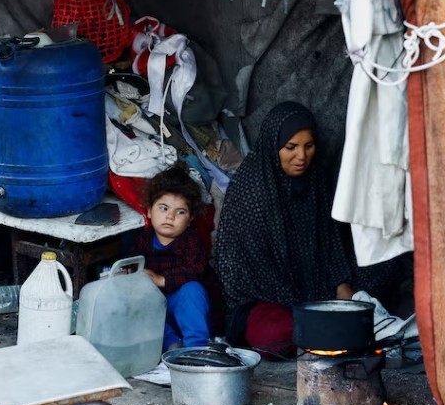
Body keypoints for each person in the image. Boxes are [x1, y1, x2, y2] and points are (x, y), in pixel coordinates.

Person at [213, 101, 356, 357]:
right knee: (278, 334)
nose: (301, 156)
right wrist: (303, 308)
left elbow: (331, 241)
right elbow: (247, 270)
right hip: (264, 298)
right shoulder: (251, 190)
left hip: (313, 289)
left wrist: (340, 285)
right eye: (291, 147)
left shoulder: (315, 180)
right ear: (273, 145)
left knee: (362, 302)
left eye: (308, 146)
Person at [126, 163, 213, 351]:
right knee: (135, 301)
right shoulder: (143, 240)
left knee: (193, 289)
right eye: (163, 208)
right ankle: (171, 344)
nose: (170, 216)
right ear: (149, 211)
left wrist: (162, 280)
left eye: (180, 212)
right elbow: (131, 264)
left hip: (183, 307)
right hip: (157, 310)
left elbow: (196, 270)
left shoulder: (191, 241)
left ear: (190, 219)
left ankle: (195, 348)